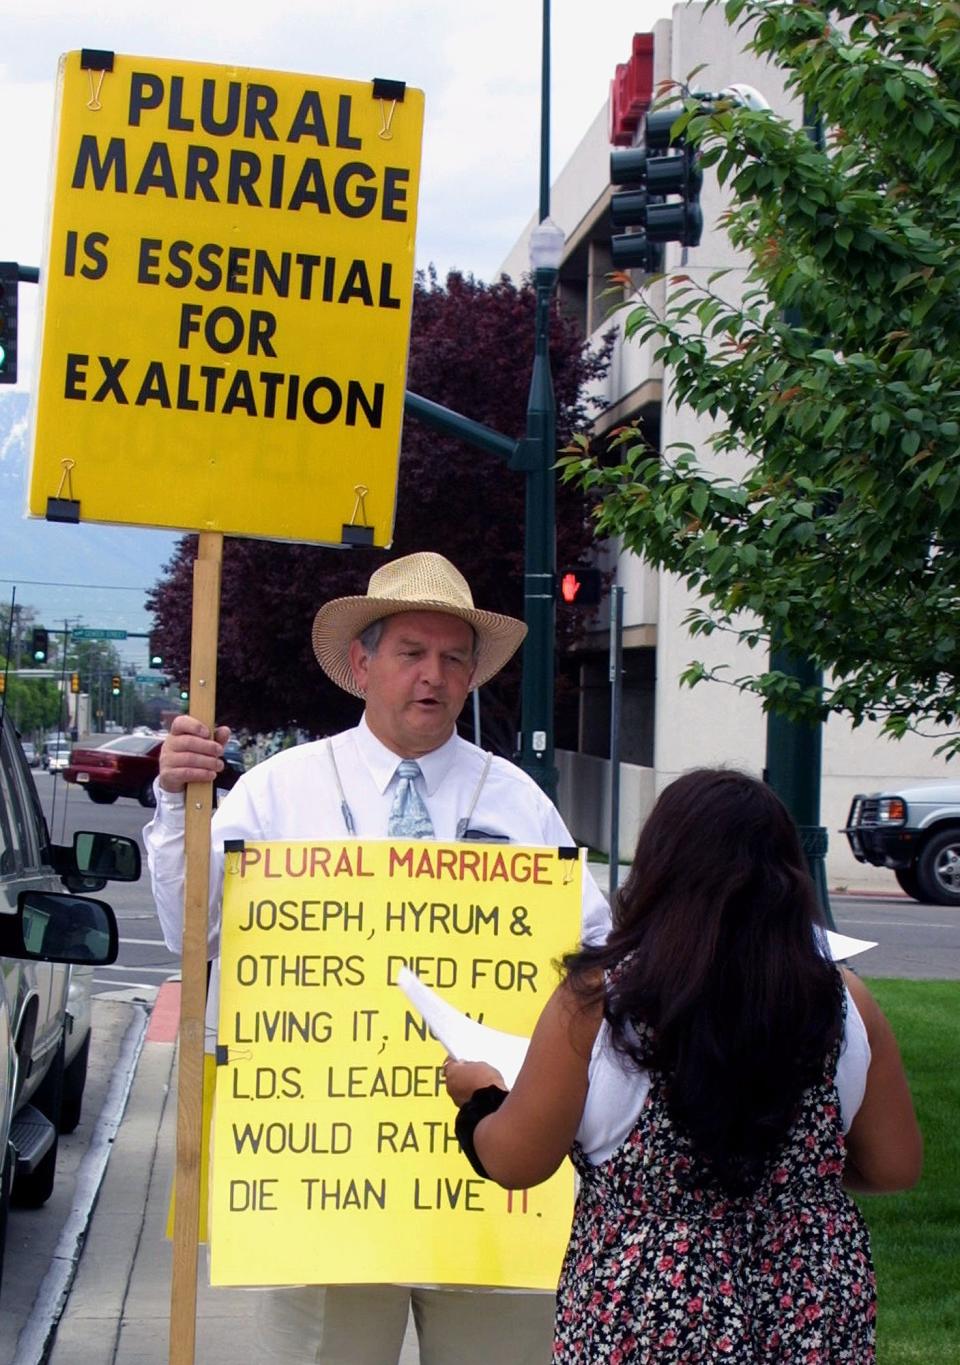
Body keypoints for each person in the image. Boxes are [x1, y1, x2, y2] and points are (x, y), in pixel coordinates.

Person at [145, 550, 611, 1365]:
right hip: (324, 1173)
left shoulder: (519, 802)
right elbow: (196, 928)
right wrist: (175, 800)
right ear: (361, 663)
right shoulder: (278, 792)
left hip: (489, 1177)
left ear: (471, 676)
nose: (433, 675)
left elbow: (591, 958)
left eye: (453, 657)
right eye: (411, 653)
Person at [444, 767, 922, 1364]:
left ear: (660, 869)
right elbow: (895, 1166)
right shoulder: (844, 1000)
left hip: (644, 1305)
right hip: (812, 1299)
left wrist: (482, 1095)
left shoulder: (600, 1004)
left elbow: (515, 1161)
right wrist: (792, 1182)